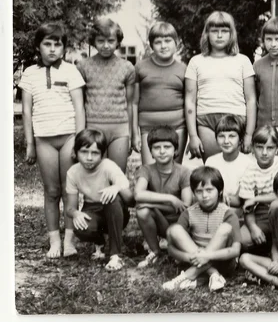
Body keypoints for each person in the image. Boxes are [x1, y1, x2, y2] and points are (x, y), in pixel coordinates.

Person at [19, 22, 86, 258]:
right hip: (44, 140)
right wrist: (30, 144)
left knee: (70, 191)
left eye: (57, 44)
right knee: (51, 191)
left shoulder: (70, 70)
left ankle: (69, 241)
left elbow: (79, 108)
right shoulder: (29, 73)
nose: (52, 49)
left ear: (64, 48)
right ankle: (54, 241)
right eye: (47, 44)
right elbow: (26, 111)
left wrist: (79, 143)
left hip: (68, 136)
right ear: (38, 46)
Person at [184, 11, 256, 160]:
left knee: (238, 172)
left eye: (224, 31)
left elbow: (251, 100)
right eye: (214, 31)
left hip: (236, 119)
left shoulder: (243, 61)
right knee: (212, 169)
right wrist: (193, 135)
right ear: (207, 34)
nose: (219, 35)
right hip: (206, 121)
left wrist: (248, 134)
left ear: (231, 34)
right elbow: (190, 101)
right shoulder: (196, 61)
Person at [162, 167, 242, 291]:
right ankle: (213, 274)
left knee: (225, 228)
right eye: (199, 191)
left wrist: (208, 255)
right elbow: (171, 248)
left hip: (223, 261)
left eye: (209, 190)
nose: (204, 195)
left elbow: (236, 251)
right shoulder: (189, 213)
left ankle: (189, 275)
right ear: (193, 193)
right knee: (174, 229)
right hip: (194, 259)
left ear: (220, 191)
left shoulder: (228, 214)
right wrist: (190, 257)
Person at [65, 129, 132, 271]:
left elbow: (128, 191)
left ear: (102, 155)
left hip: (115, 210)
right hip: (92, 208)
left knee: (111, 199)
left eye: (95, 153)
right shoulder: (73, 172)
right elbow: (69, 208)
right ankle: (100, 242)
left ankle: (116, 255)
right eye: (84, 152)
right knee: (80, 227)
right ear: (75, 152)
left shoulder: (107, 165)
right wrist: (76, 214)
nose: (89, 157)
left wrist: (115, 188)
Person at [77, 18, 135, 174]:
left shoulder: (127, 67)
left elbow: (130, 104)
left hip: (119, 128)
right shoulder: (83, 66)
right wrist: (80, 134)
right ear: (94, 41)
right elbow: (79, 104)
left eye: (111, 41)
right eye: (101, 41)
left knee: (117, 175)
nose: (106, 45)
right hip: (93, 127)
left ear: (117, 42)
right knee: (95, 176)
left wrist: (132, 134)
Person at [134, 126, 193, 268]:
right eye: (156, 147)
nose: (161, 151)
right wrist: (170, 199)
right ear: (151, 151)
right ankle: (155, 251)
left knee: (145, 207)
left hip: (180, 224)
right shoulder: (146, 170)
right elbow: (138, 194)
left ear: (176, 150)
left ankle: (177, 247)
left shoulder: (184, 172)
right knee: (142, 211)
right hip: (160, 220)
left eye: (167, 147)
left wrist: (151, 204)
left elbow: (185, 205)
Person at [132, 22, 187, 165]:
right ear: (151, 45)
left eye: (168, 41)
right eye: (158, 42)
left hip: (178, 126)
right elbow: (133, 102)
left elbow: (190, 103)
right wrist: (134, 134)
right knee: (150, 172)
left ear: (176, 43)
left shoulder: (184, 69)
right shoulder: (140, 67)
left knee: (174, 171)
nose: (163, 46)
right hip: (147, 128)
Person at [237, 125, 278, 250]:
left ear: (277, 149)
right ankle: (266, 244)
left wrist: (256, 199)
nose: (264, 153)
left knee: (276, 205)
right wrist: (253, 228)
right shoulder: (249, 170)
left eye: (270, 148)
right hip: (261, 215)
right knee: (242, 240)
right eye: (259, 147)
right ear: (252, 148)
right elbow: (248, 208)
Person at [205, 115, 252, 213]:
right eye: (221, 136)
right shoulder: (211, 161)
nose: (226, 141)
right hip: (214, 211)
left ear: (240, 140)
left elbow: (239, 201)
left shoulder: (248, 163)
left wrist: (218, 197)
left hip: (237, 214)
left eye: (232, 136)